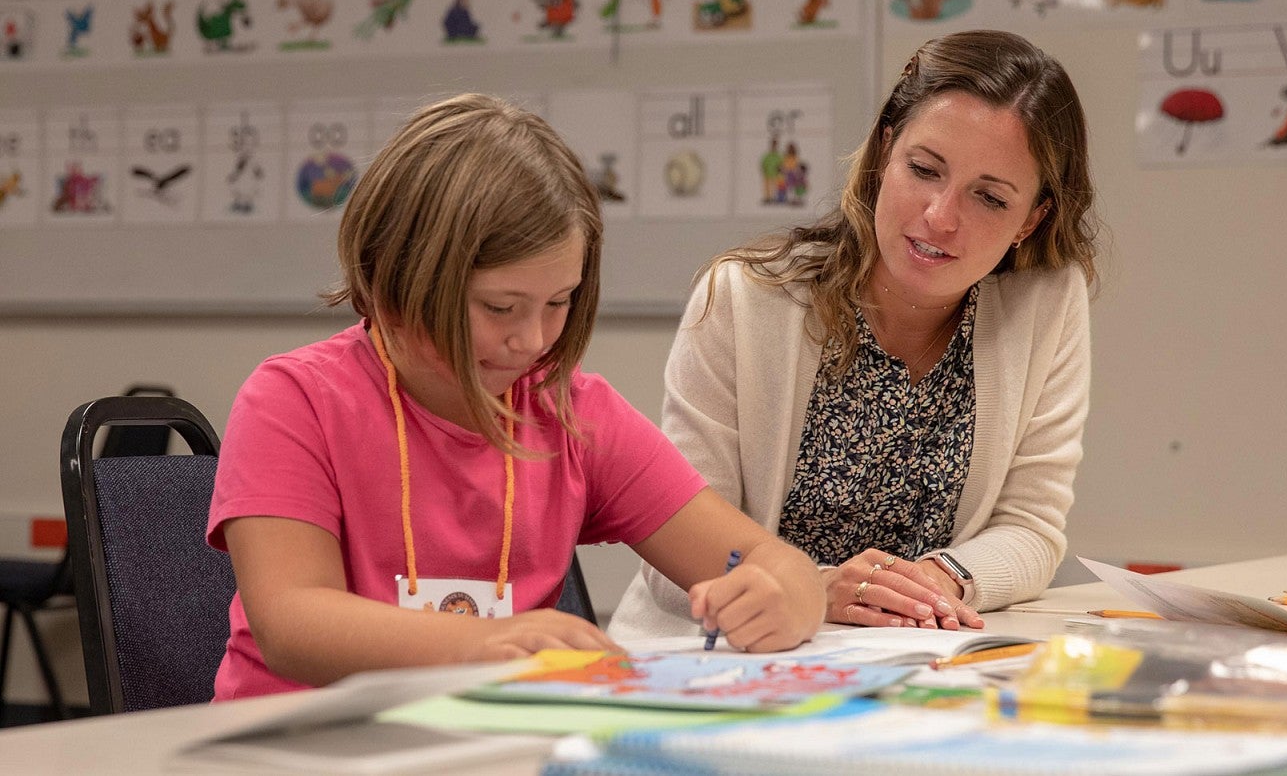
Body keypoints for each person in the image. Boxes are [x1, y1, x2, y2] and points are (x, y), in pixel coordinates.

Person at [207, 93, 824, 700]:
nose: (529, 340)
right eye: (500, 307)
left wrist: (786, 597)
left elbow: (767, 561)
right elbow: (291, 623)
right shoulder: (294, 401)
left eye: (559, 303)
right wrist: (480, 645)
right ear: (395, 277)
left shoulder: (571, 412)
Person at [610, 30, 1098, 639]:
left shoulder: (1046, 304)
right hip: (729, 659)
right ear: (884, 154)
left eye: (990, 198)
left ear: (1032, 218)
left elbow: (1032, 527)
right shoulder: (741, 299)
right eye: (923, 170)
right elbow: (673, 548)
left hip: (919, 663)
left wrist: (937, 579)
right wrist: (814, 588)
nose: (940, 217)